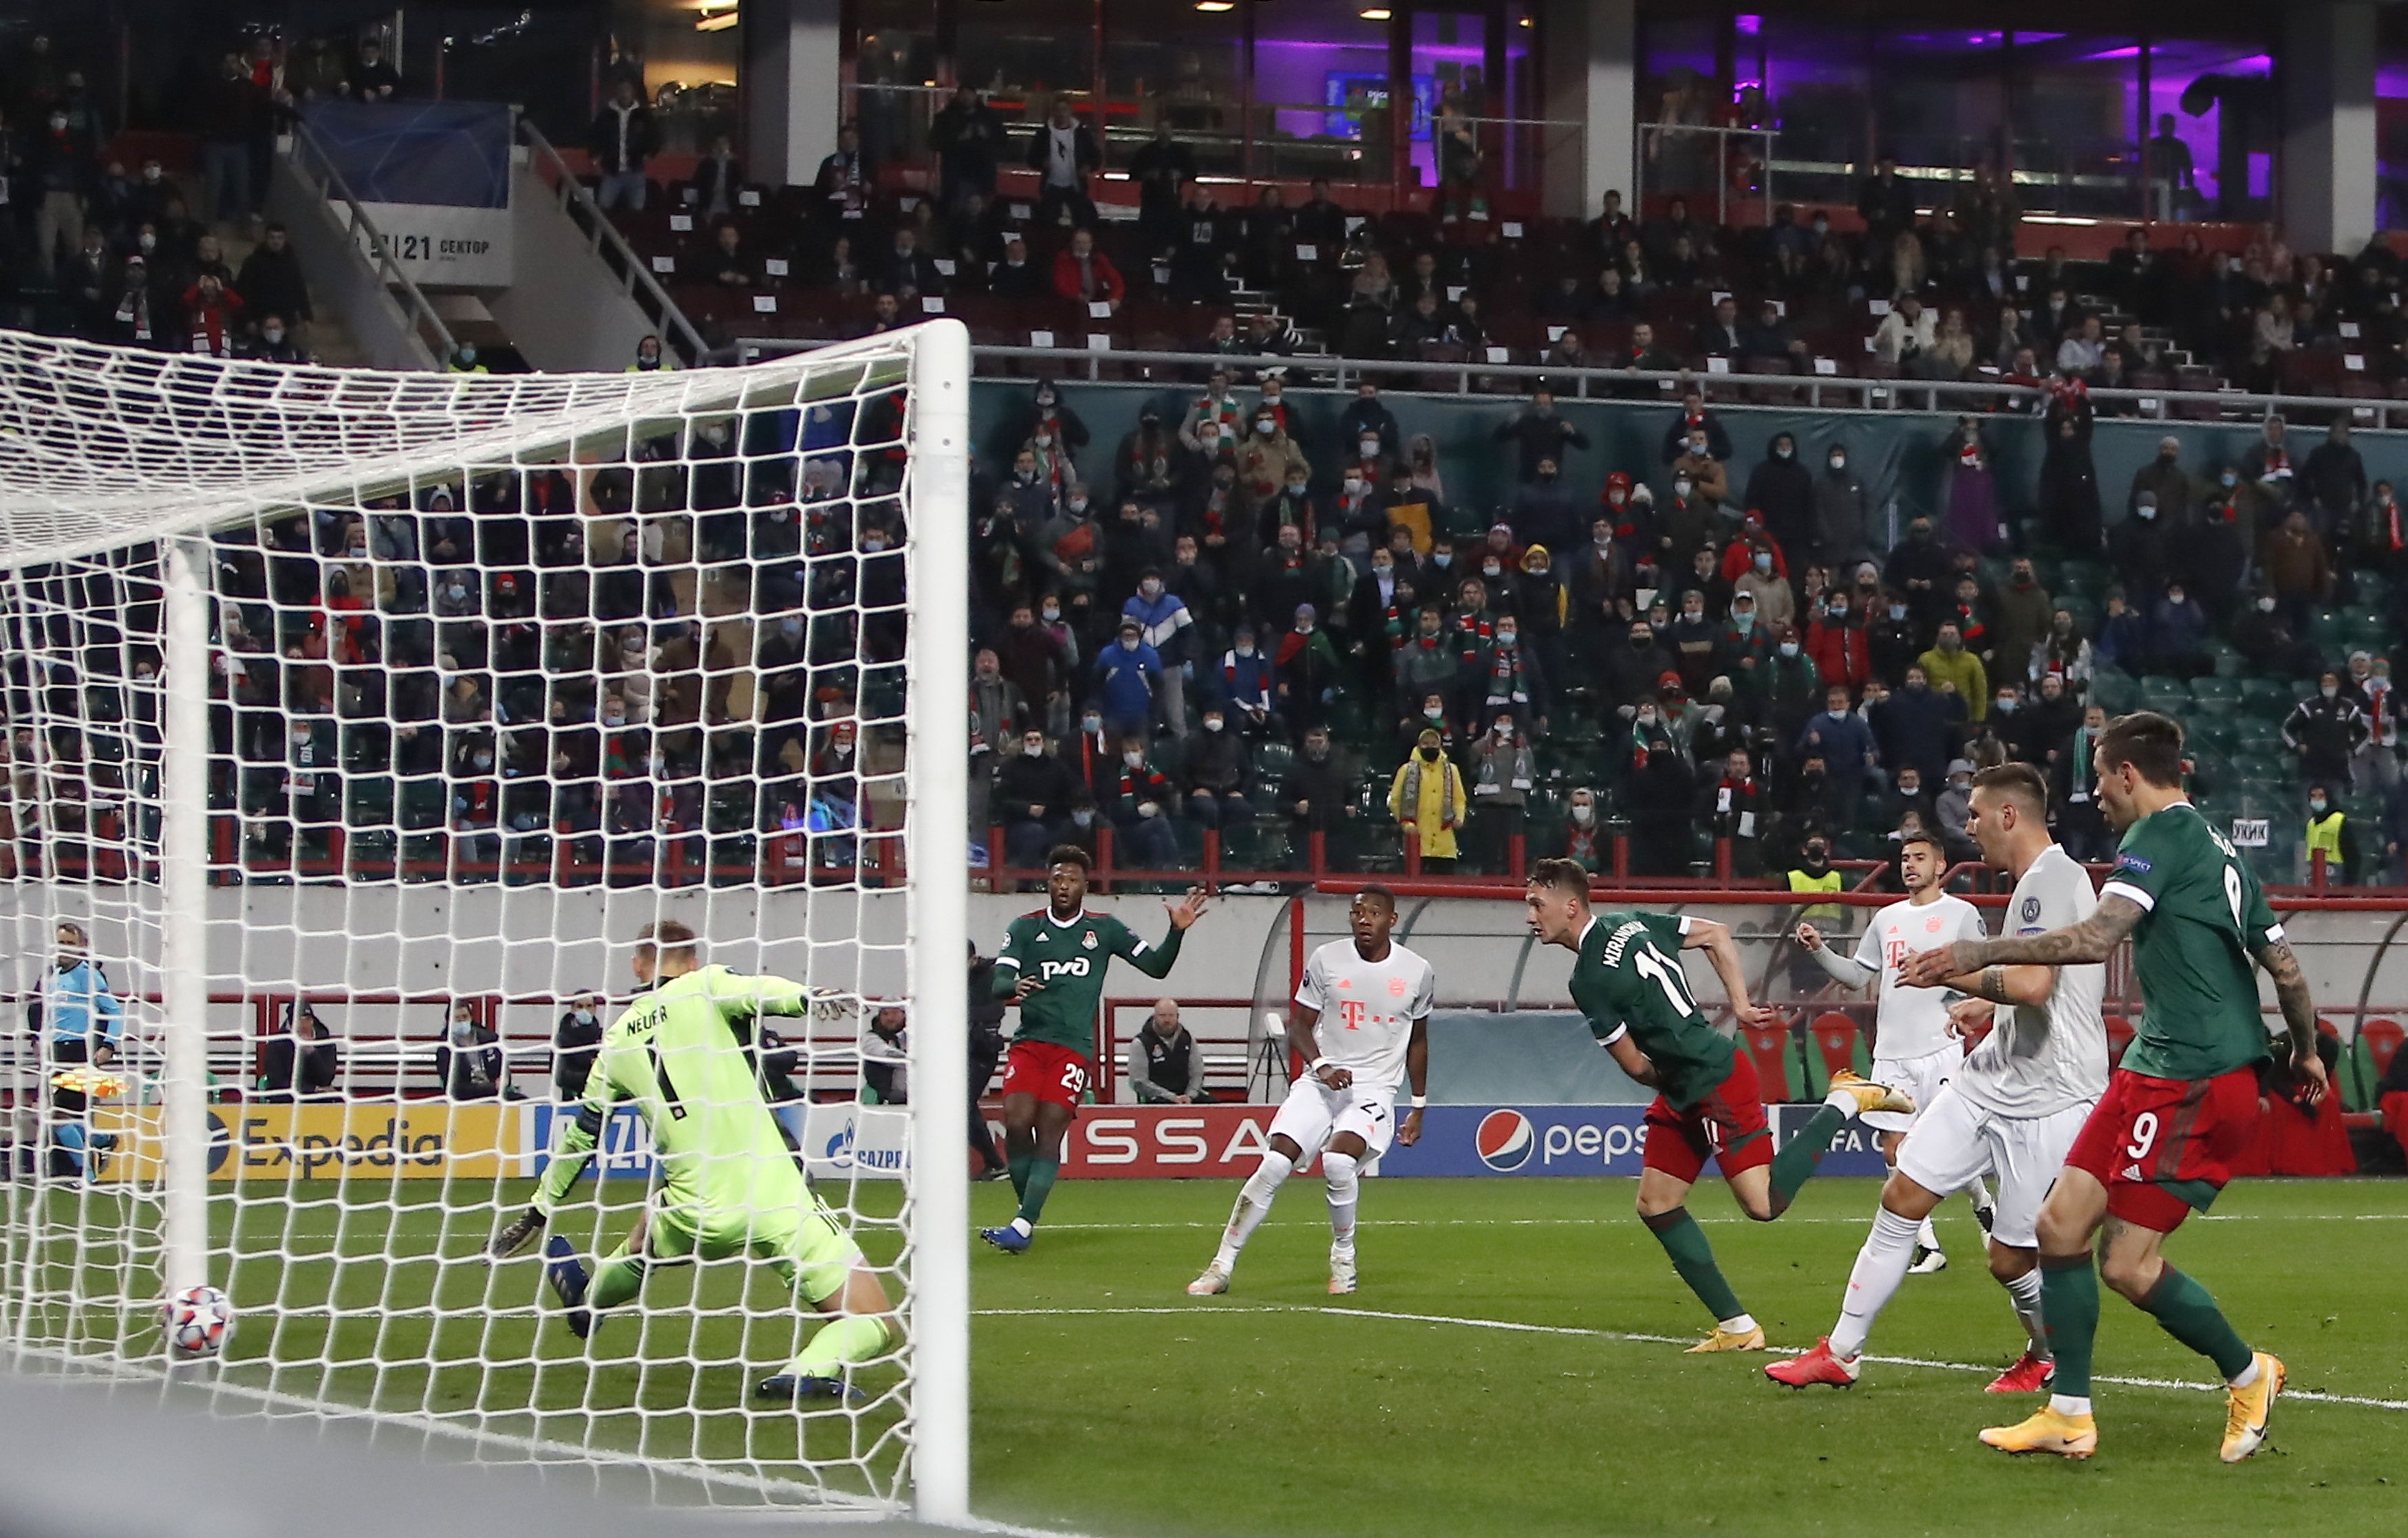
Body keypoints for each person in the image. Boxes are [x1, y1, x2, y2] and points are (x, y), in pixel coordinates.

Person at [1898, 712, 2325, 1462]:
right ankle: (2067, 1413)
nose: (2092, 792)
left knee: (2125, 1263)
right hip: (2151, 1067)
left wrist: (1976, 948)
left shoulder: (2155, 837)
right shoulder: (2223, 850)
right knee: (2058, 1226)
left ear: (2127, 773)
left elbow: (2095, 938)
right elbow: (2282, 965)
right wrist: (2308, 1052)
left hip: (2195, 1074)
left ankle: (2247, 1372)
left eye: (2097, 775)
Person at [1773, 763, 2107, 1394]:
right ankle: (1841, 1351)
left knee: (2010, 1259)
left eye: (1977, 814)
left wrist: (1951, 974)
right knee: (1902, 1195)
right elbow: (2044, 983)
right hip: (1993, 1077)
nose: (1969, 826)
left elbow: (2034, 984)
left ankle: (2046, 1355)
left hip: (2050, 1094)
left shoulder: (2048, 883)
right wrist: (1986, 1003)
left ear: (2010, 815)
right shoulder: (2042, 882)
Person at [484, 920, 899, 1404]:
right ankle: (803, 1372)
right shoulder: (706, 986)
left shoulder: (616, 1041)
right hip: (775, 1198)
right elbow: (760, 992)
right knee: (873, 1321)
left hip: (694, 1211)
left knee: (648, 1232)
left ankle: (587, 1302)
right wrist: (808, 997)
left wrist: (538, 1208)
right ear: (694, 960)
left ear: (638, 965)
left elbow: (583, 1134)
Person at [1524, 860, 1911, 1351]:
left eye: (1537, 904)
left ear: (1571, 906)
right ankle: (1738, 1328)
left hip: (1710, 1081)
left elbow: (1636, 1067)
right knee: (1656, 1203)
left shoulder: (1588, 980)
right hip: (1691, 1079)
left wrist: (1676, 1073)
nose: (1530, 916)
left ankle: (1842, 1100)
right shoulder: (1632, 921)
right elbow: (1717, 934)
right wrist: (1741, 1005)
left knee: (1763, 1204)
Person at [1191, 887, 1432, 1297]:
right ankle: (1221, 1266)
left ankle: (1343, 1256)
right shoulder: (1326, 959)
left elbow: (1419, 1040)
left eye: (1374, 913)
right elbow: (1300, 1025)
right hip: (1321, 1082)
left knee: (1338, 1162)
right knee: (1272, 1166)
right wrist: (1322, 1066)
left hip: (1372, 1088)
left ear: (1392, 920)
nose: (1364, 919)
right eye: (1357, 912)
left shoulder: (1417, 971)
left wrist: (1419, 1106)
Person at [982, 849, 1208, 1253]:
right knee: (1017, 1123)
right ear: (1047, 883)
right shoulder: (1024, 928)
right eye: (1057, 879)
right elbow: (999, 980)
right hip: (1029, 1044)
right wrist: (1013, 987)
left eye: (1071, 879)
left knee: (1049, 1129)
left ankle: (1022, 1224)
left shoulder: (1105, 930)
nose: (1063, 886)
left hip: (1072, 1048)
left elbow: (1157, 967)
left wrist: (1177, 932)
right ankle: (1025, 1211)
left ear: (1085, 887)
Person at [1793, 826, 1997, 1272]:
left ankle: (1984, 1204)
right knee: (1895, 1150)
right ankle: (1927, 1246)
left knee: (1950, 1145)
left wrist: (1974, 1004)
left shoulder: (1962, 914)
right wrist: (1820, 950)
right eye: (1905, 858)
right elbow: (1856, 976)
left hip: (1941, 1047)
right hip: (1892, 1053)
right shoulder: (1887, 919)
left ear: (1941, 866)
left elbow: (1989, 969)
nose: (1910, 865)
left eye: (1919, 858)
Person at [38, 922, 124, 1179]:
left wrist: (109, 1045)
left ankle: (88, 1173)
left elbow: (115, 1012)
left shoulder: (88, 976)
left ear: (80, 947)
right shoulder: (53, 978)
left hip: (78, 1051)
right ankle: (101, 1139)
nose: (63, 948)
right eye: (60, 942)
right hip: (56, 1053)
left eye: (69, 943)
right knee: (54, 1115)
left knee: (59, 1116)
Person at [1390, 727, 1468, 872]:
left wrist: (1459, 817)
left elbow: (1459, 799)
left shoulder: (1451, 770)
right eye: (1425, 743)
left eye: (1434, 743)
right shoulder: (1406, 770)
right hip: (1417, 840)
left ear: (1440, 746)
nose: (1430, 746)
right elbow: (1395, 801)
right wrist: (1406, 824)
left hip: (1445, 843)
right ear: (1419, 746)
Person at [590, 77, 658, 211]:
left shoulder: (643, 115)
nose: (624, 94)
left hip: (635, 171)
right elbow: (595, 136)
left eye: (627, 90)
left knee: (637, 210)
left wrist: (650, 153)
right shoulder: (606, 115)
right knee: (603, 209)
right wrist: (595, 156)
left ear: (633, 92)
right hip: (611, 171)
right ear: (616, 92)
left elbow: (655, 137)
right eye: (621, 90)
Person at [1130, 998, 1207, 1105]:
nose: (1167, 1020)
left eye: (1171, 1015)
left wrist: (1190, 1095)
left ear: (1177, 1017)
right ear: (1155, 1017)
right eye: (1162, 1016)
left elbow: (1197, 1073)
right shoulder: (1141, 1043)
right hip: (1157, 1098)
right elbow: (1139, 1081)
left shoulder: (1188, 1040)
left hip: (1187, 1097)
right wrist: (1171, 1097)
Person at [260, 999, 341, 1102]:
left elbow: (326, 1079)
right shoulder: (276, 1045)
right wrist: (312, 1090)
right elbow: (277, 1082)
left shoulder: (325, 1042)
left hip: (317, 1099)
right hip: (287, 1099)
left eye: (308, 1019)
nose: (304, 1024)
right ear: (291, 1024)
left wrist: (311, 1052)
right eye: (299, 1020)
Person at [436, 1001, 506, 1099]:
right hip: (465, 1098)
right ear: (449, 1022)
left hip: (496, 1095)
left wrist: (504, 1081)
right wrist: (491, 1087)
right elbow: (455, 1087)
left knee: (522, 1101)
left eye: (465, 1017)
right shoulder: (445, 1049)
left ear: (471, 1018)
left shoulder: (490, 1038)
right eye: (457, 1019)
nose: (462, 1022)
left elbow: (505, 1069)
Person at [553, 993, 604, 1100]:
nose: (585, 1010)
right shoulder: (561, 1038)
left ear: (595, 1009)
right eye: (580, 1006)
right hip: (570, 1091)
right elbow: (558, 1072)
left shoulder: (602, 1036)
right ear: (572, 1009)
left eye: (589, 1006)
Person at [861, 1004, 909, 1104]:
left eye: (895, 1013)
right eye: (885, 1014)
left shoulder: (914, 1036)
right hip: (882, 1098)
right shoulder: (870, 1038)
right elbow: (887, 1055)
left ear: (904, 1015)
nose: (890, 1018)